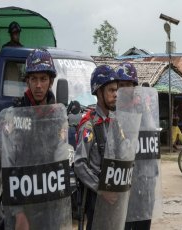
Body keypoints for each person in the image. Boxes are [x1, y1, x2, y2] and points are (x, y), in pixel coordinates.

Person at [9, 48, 67, 230]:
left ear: (51, 81)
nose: (38, 85)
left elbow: (60, 160)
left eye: (43, 79)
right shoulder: (15, 115)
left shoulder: (57, 116)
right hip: (24, 203)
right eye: (33, 79)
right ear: (27, 81)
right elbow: (10, 165)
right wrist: (18, 212)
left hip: (51, 202)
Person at [74, 65, 119, 230]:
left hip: (114, 194)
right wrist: (101, 189)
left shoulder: (114, 123)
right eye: (111, 90)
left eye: (116, 90)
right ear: (99, 92)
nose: (115, 94)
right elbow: (79, 164)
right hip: (97, 197)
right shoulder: (89, 126)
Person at [116, 62, 158, 230]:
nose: (125, 88)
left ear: (135, 86)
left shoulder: (144, 110)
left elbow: (151, 140)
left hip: (144, 181)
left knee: (142, 223)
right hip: (124, 183)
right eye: (121, 85)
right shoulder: (115, 111)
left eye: (128, 84)